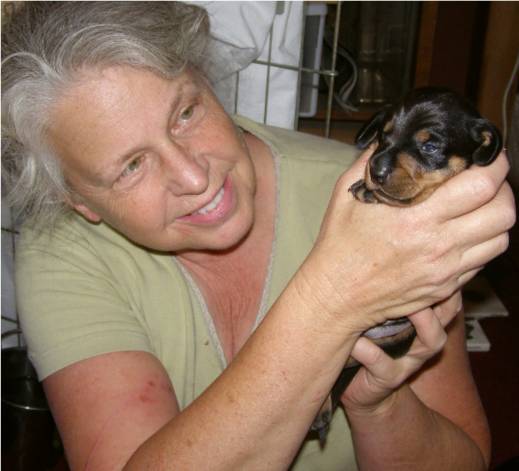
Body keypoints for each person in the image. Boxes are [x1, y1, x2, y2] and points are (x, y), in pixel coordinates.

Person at [1, 2, 515, 470]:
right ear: (79, 201)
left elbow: (464, 461)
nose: (194, 177)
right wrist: (333, 299)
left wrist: (377, 401)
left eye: (185, 112)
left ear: (206, 78)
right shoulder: (62, 254)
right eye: (131, 166)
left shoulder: (379, 202)